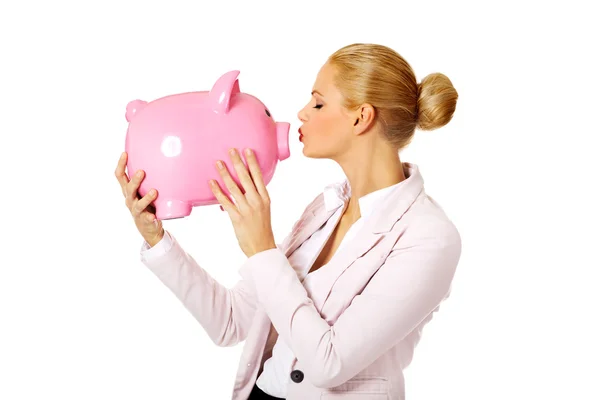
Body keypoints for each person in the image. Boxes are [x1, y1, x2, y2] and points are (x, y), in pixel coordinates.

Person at [114, 43, 462, 400]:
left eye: (318, 103)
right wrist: (157, 238)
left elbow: (329, 364)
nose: (302, 112)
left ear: (361, 117)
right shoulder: (325, 209)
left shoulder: (429, 238)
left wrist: (262, 247)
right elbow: (231, 322)